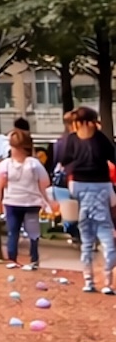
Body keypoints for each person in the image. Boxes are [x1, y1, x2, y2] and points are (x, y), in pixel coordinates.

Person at [52, 106, 116, 293]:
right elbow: (112, 157)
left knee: (86, 235)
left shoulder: (71, 139)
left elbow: (63, 160)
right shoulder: (101, 139)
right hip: (101, 187)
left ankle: (90, 280)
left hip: (78, 186)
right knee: (105, 233)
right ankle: (107, 281)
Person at [0, 128, 54, 270]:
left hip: (12, 202)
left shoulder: (5, 165)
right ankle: (33, 259)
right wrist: (46, 201)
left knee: (13, 231)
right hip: (31, 202)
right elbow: (44, 183)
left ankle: (13, 258)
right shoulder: (34, 164)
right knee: (32, 231)